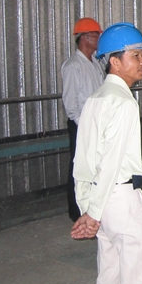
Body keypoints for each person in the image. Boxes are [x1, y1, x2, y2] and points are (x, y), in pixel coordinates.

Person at [71, 22, 142, 284]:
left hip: (100, 202)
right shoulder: (123, 102)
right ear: (115, 61)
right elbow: (110, 163)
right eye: (136, 55)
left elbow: (82, 160)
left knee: (110, 276)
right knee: (140, 283)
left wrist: (87, 208)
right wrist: (93, 212)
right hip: (121, 199)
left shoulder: (95, 99)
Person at [61, 17, 104, 221]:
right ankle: (76, 211)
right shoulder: (73, 66)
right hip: (81, 125)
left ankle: (93, 207)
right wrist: (85, 126)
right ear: (85, 38)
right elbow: (71, 104)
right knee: (80, 167)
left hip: (97, 123)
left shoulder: (96, 63)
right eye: (96, 35)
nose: (98, 39)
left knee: (95, 166)